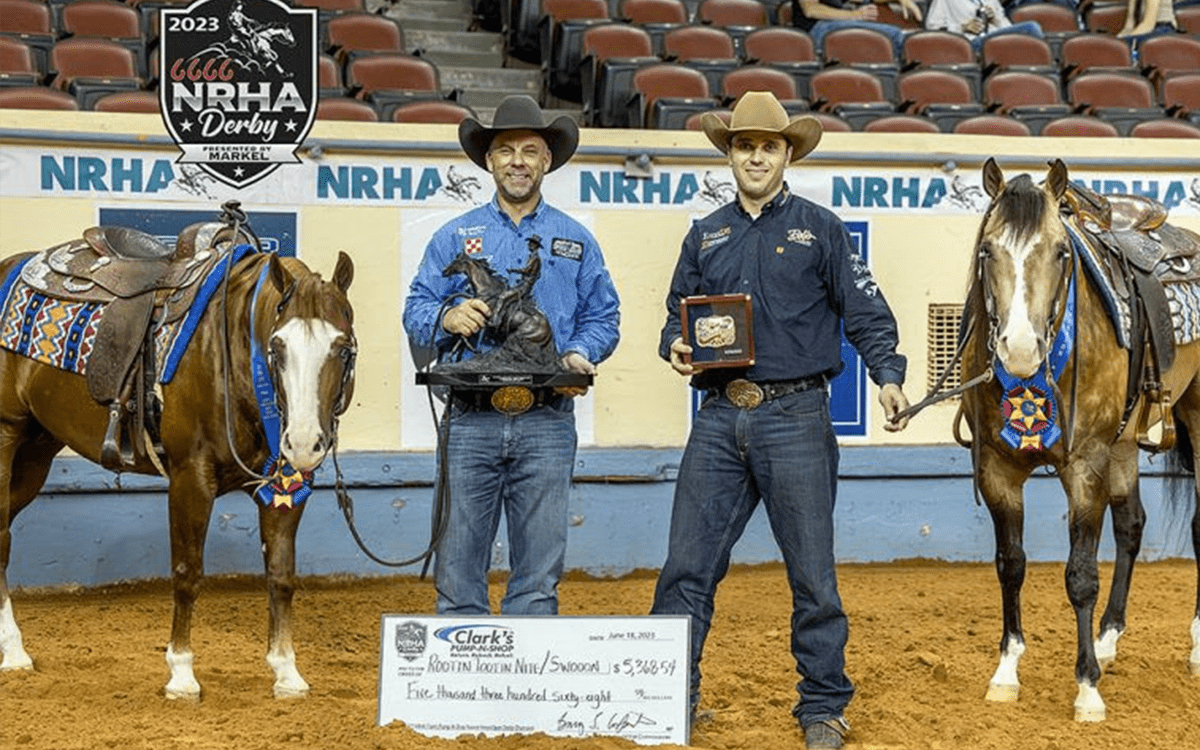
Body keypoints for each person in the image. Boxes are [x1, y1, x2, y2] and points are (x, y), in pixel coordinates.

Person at [650, 91, 911, 750]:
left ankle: (823, 705)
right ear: (730, 154)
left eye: (768, 146)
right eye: (744, 145)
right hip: (717, 417)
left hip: (796, 414)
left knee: (812, 575)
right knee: (685, 568)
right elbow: (676, 314)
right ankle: (664, 697)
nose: (756, 156)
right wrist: (674, 345)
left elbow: (867, 312)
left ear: (787, 154)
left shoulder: (822, 228)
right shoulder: (705, 232)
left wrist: (888, 376)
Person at [402, 95, 621, 615]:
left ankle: (527, 682)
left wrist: (578, 352)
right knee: (456, 570)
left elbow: (604, 317)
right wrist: (444, 318)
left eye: (530, 150)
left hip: (546, 422)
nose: (517, 160)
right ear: (489, 162)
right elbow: (415, 308)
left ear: (547, 161)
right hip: (470, 422)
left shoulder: (576, 240)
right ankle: (464, 681)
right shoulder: (453, 237)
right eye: (505, 150)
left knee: (538, 576)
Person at [792, 0, 925, 59]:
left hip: (833, 26)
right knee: (893, 35)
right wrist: (854, 15)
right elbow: (810, 10)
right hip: (815, 29)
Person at [924, 0, 1045, 53]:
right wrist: (962, 27)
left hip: (995, 38)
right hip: (971, 43)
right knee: (1031, 28)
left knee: (1028, 35)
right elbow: (933, 28)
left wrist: (995, 20)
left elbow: (1007, 27)